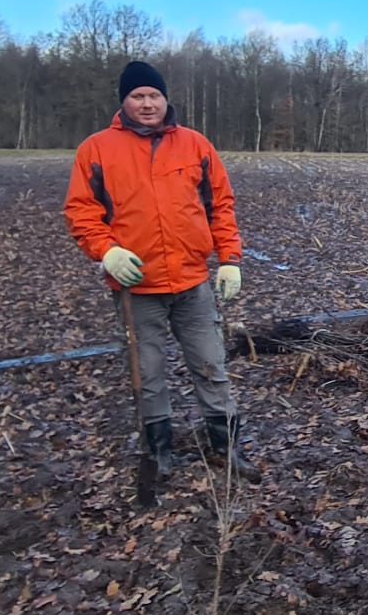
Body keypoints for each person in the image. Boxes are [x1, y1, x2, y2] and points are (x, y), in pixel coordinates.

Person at [64, 60, 260, 485]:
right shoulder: (96, 150)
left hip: (192, 283)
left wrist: (229, 259)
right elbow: (81, 213)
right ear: (124, 101)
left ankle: (227, 446)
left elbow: (219, 206)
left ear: (166, 99)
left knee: (211, 366)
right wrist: (107, 252)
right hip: (137, 289)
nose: (147, 103)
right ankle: (160, 452)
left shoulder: (194, 146)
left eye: (154, 95)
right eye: (138, 96)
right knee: (148, 374)